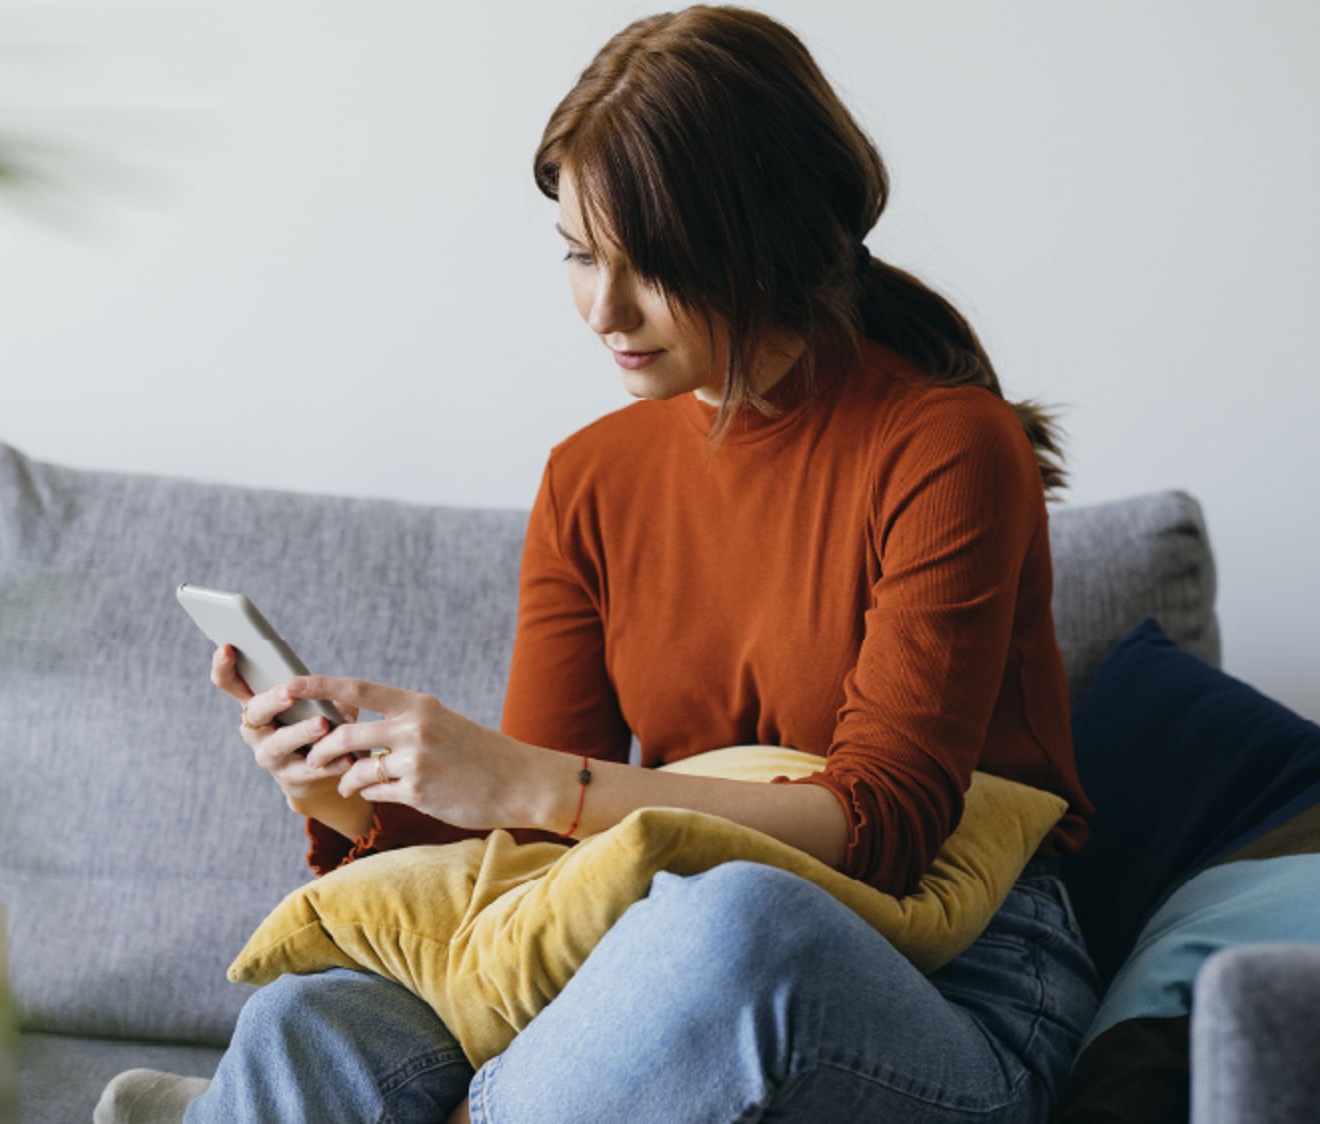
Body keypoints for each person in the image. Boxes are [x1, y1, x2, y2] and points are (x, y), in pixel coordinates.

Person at [95, 5, 1100, 1122]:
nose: (603, 309)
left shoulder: (950, 446)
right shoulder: (591, 474)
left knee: (733, 926)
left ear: (769, 242)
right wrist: (342, 789)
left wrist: (526, 774)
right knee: (313, 1015)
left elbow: (886, 825)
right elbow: (540, 852)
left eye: (654, 264)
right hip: (632, 969)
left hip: (958, 981)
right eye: (579, 254)